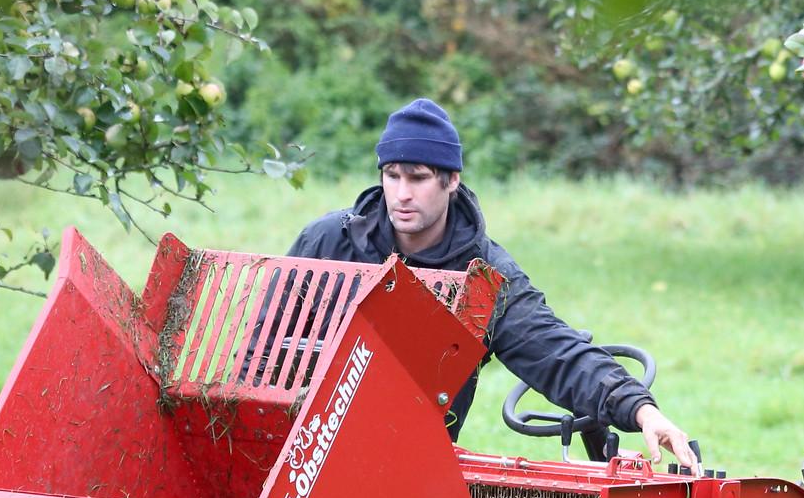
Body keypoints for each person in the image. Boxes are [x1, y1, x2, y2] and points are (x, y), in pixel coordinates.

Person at [287, 99, 698, 468]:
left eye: (417, 178)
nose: (401, 194)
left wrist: (642, 410)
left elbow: (555, 351)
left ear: (451, 181)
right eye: (391, 176)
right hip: (303, 448)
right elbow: (263, 352)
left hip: (411, 463)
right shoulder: (329, 241)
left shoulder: (483, 274)